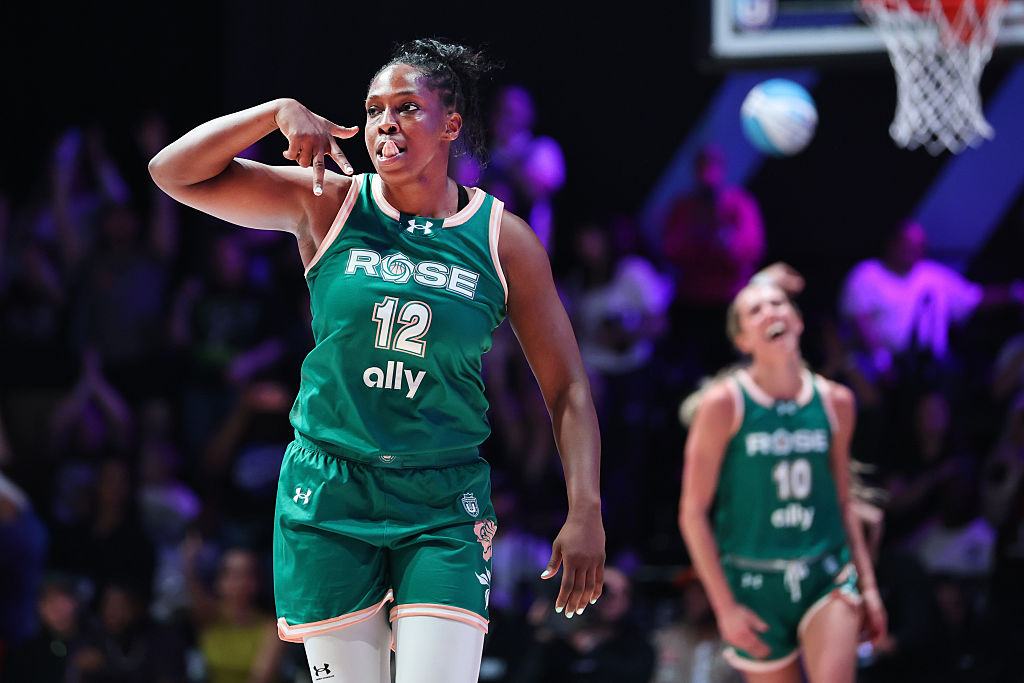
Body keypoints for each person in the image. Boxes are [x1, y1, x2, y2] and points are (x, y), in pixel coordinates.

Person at [148, 39, 605, 683]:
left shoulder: (504, 239)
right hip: (331, 489)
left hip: (442, 499)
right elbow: (173, 172)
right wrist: (274, 111)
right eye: (374, 108)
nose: (385, 121)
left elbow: (567, 390)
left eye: (406, 107)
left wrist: (585, 507)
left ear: (450, 125)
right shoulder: (328, 202)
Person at [678, 278, 887, 682]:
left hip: (825, 573)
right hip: (755, 582)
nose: (771, 311)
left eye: (778, 303)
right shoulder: (724, 404)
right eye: (755, 310)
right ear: (742, 341)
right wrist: (724, 608)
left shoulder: (836, 402)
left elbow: (844, 502)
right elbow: (691, 513)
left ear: (798, 320)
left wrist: (870, 588)